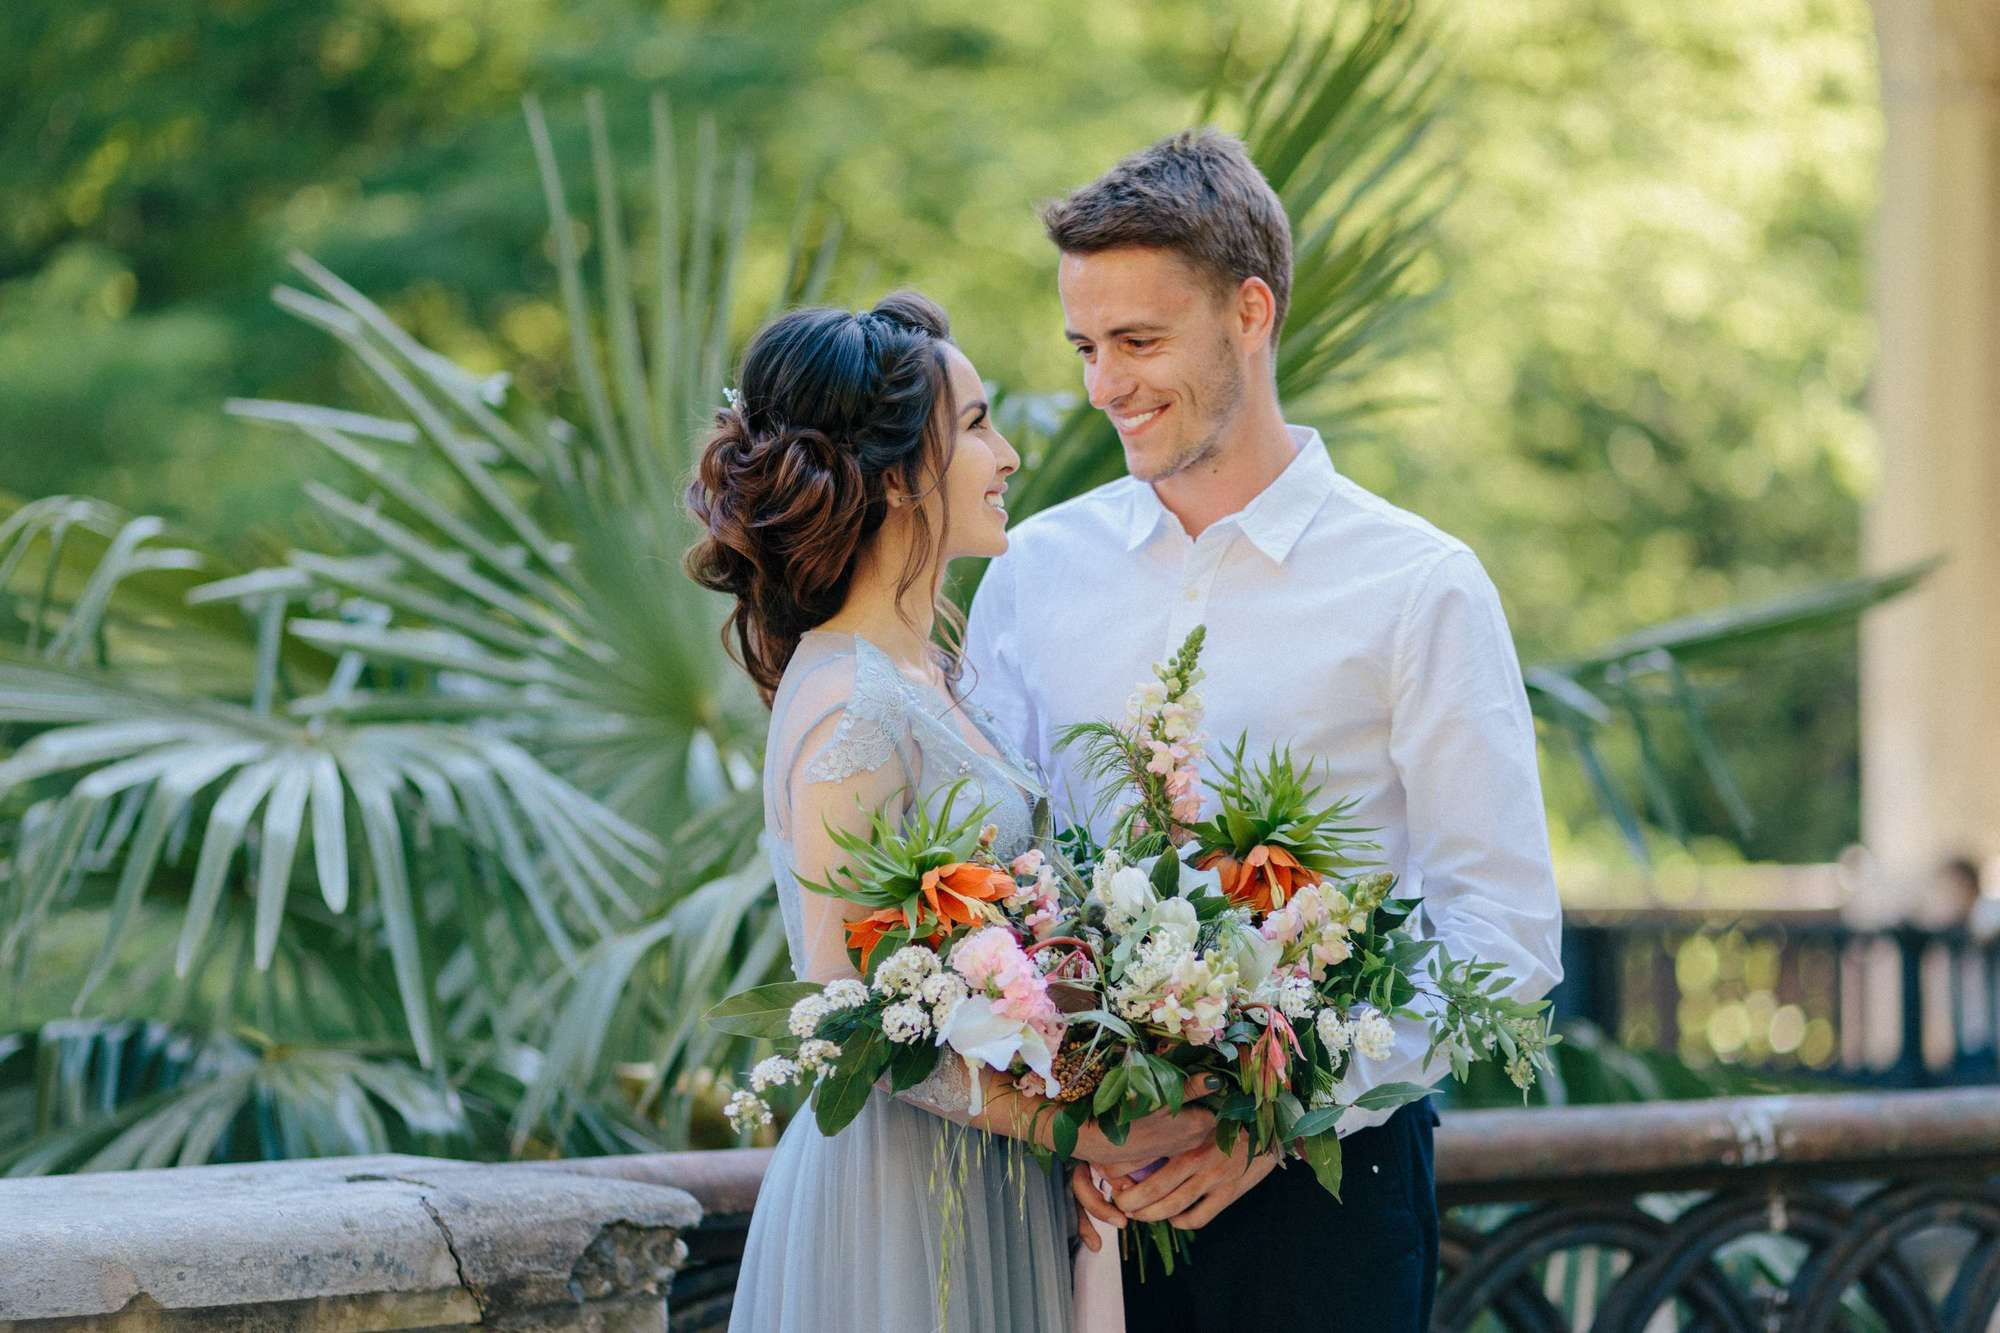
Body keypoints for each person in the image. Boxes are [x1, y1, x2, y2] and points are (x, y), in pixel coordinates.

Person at [965, 130, 1566, 1331]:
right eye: (1085, 346)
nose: (1103, 386)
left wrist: (1269, 1125)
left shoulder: (1418, 585)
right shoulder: (1030, 571)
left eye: (1139, 341)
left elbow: (1501, 932)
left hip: (1327, 1199)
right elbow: (989, 877)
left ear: (1250, 310)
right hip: (1073, 1196)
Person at [685, 292, 1216, 1333]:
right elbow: (846, 1017)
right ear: (891, 476)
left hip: (988, 1178)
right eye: (974, 426)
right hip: (901, 1201)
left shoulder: (930, 669)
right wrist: (1075, 1132)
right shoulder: (849, 700)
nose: (1007, 453)